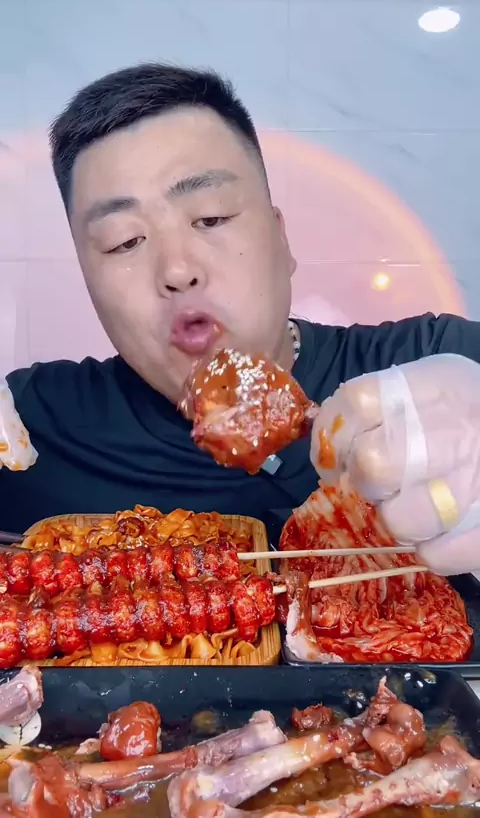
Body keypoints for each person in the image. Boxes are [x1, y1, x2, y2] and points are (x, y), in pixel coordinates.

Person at [1, 63, 480, 573]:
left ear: (281, 238)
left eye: (211, 218)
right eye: (124, 241)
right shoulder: (30, 424)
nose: (177, 269)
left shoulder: (441, 364)